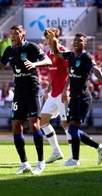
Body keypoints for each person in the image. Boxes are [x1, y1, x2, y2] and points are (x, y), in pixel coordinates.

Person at [0, 25, 52, 175]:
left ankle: (40, 162)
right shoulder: (10, 50)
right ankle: (24, 163)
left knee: (34, 126)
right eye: (11, 33)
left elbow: (48, 60)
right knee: (16, 126)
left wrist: (35, 64)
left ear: (23, 34)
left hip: (32, 90)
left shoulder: (31, 47)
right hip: (19, 91)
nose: (13, 36)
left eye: (16, 33)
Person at [45, 30, 102, 167]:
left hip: (83, 98)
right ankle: (98, 147)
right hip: (74, 97)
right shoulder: (70, 55)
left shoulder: (86, 57)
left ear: (85, 44)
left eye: (80, 40)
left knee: (72, 129)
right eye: (75, 40)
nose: (76, 42)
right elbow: (57, 53)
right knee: (71, 129)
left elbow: (96, 70)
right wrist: (54, 41)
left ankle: (75, 159)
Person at [39, 28, 70, 164]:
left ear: (56, 38)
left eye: (50, 37)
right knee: (43, 121)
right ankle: (56, 152)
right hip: (53, 94)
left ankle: (74, 156)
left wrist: (66, 90)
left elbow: (69, 72)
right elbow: (52, 74)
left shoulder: (63, 51)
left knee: (66, 125)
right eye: (46, 37)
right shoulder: (48, 53)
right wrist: (49, 89)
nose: (48, 40)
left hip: (63, 93)